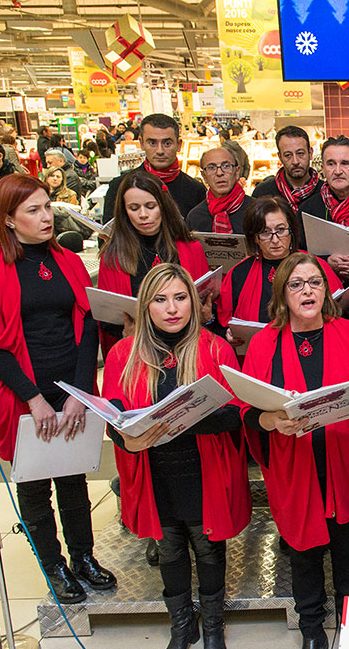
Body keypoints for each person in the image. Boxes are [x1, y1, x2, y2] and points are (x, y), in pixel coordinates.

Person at [0, 174, 116, 604]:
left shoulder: (67, 259)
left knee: (73, 477)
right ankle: (53, 565)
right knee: (34, 485)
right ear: (9, 219)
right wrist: (32, 397)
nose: (47, 216)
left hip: (68, 384)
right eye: (33, 210)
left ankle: (83, 557)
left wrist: (79, 392)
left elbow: (87, 325)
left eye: (47, 206)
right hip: (20, 392)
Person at [102, 264, 250, 649]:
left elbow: (236, 414)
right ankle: (182, 626)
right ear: (145, 306)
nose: (172, 308)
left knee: (208, 546)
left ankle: (213, 625)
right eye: (161, 299)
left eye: (181, 298)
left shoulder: (215, 348)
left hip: (203, 469)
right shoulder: (123, 354)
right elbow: (113, 417)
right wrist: (127, 440)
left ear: (194, 302)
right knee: (169, 548)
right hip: (155, 472)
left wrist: (188, 417)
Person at [240, 253, 349, 649]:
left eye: (315, 282)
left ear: (327, 290)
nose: (308, 291)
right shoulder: (264, 343)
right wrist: (272, 420)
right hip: (295, 465)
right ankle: (312, 629)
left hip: (343, 461)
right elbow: (247, 411)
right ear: (282, 293)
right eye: (297, 284)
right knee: (304, 553)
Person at [99, 171, 212, 357]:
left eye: (150, 206)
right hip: (137, 352)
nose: (143, 215)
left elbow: (206, 304)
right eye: (134, 208)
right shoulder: (113, 256)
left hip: (187, 350)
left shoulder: (190, 248)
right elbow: (106, 319)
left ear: (163, 206)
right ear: (124, 212)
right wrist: (125, 335)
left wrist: (207, 317)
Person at [219, 197, 341, 339]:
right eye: (265, 232)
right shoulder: (239, 273)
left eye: (281, 230)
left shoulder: (316, 266)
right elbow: (223, 323)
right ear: (255, 237)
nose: (275, 240)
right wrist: (227, 334)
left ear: (291, 231)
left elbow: (339, 312)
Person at [302, 136, 349, 283]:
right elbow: (298, 255)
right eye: (331, 164)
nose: (337, 171)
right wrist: (326, 262)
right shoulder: (308, 209)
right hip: (323, 288)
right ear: (322, 169)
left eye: (345, 163)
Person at [103, 114, 207, 222]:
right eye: (152, 143)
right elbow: (109, 231)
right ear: (142, 143)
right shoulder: (120, 186)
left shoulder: (195, 190)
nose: (160, 151)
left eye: (167, 143)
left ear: (179, 145)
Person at [252, 126, 323, 238]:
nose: (295, 161)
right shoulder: (263, 193)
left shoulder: (325, 192)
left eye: (300, 153)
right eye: (288, 155)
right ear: (280, 157)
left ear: (310, 153)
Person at [186, 147, 252, 234]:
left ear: (237, 172)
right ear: (204, 176)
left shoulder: (256, 211)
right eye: (211, 168)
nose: (219, 173)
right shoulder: (195, 217)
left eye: (226, 166)